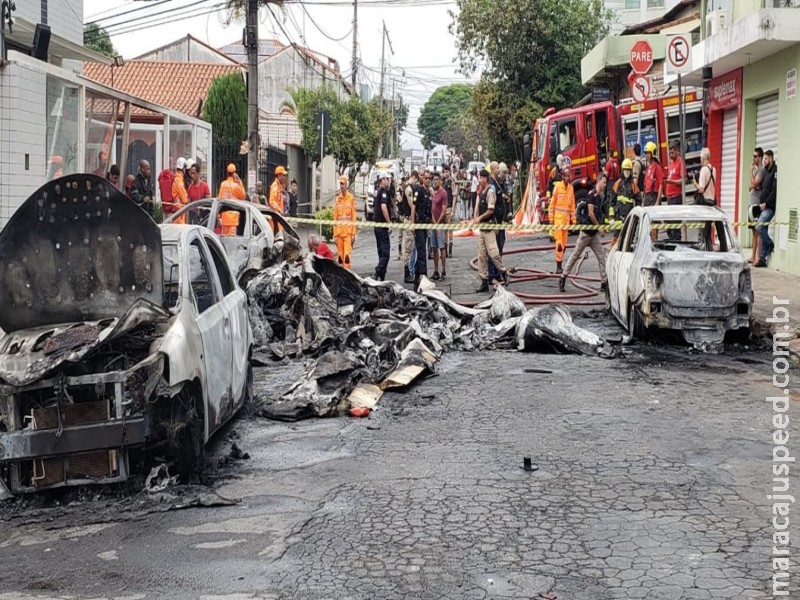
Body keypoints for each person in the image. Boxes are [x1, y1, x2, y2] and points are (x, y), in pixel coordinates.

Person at [560, 174, 608, 293]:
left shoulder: (599, 196)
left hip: (593, 235)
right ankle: (563, 277)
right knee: (575, 255)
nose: (605, 185)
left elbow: (598, 214)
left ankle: (604, 282)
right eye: (604, 182)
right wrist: (599, 228)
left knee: (601, 257)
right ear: (598, 182)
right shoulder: (592, 195)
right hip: (586, 233)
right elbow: (591, 214)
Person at [474, 169, 509, 292]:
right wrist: (476, 217)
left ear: (485, 178)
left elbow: (490, 210)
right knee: (481, 256)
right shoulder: (483, 191)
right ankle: (484, 281)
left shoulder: (490, 191)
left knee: (494, 254)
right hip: (483, 229)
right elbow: (479, 205)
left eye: (480, 178)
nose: (479, 180)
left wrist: (479, 218)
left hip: (489, 228)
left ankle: (503, 272)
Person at [548, 158, 576, 274]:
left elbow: (572, 206)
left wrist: (574, 221)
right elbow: (552, 204)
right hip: (558, 221)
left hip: (566, 222)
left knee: (564, 244)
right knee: (559, 244)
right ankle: (558, 266)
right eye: (565, 176)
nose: (567, 178)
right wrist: (550, 219)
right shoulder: (558, 187)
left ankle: (560, 262)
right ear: (562, 176)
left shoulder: (571, 188)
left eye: (568, 176)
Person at [610, 158, 640, 247]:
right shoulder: (617, 184)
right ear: (622, 170)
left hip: (629, 216)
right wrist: (611, 217)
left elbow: (639, 200)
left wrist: (636, 213)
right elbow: (612, 201)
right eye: (625, 170)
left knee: (628, 238)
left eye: (628, 170)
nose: (627, 172)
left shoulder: (633, 186)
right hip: (618, 217)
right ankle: (612, 256)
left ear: (631, 171)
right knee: (616, 238)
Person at [755, 149, 777, 268]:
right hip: (763, 206)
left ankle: (770, 244)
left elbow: (773, 192)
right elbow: (764, 188)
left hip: (769, 207)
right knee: (764, 229)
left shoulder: (775, 171)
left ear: (771, 159)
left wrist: (766, 204)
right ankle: (762, 259)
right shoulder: (765, 171)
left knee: (759, 226)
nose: (764, 161)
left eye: (766, 159)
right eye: (763, 158)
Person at [488, 163, 510, 285]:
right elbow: (493, 205)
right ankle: (492, 274)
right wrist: (495, 221)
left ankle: (497, 272)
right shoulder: (492, 185)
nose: (505, 175)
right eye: (502, 171)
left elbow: (503, 201)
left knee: (500, 247)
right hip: (496, 222)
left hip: (501, 221)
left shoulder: (500, 184)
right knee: (494, 249)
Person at [411, 171, 432, 290]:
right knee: (422, 251)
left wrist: (435, 225)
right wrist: (413, 224)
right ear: (422, 179)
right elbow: (413, 207)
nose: (428, 180)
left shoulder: (428, 192)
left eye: (429, 178)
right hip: (419, 225)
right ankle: (423, 276)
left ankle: (416, 279)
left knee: (421, 251)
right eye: (426, 178)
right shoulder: (418, 191)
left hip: (425, 225)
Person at [333, 175, 357, 269]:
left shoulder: (351, 198)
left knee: (347, 257)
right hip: (339, 234)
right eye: (340, 184)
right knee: (339, 258)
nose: (341, 186)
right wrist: (334, 235)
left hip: (348, 233)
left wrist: (353, 234)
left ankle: (347, 275)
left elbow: (353, 217)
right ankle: (340, 277)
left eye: (343, 184)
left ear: (346, 184)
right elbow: (335, 218)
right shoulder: (337, 199)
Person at [373, 173, 392, 281]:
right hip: (382, 227)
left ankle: (382, 277)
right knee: (386, 253)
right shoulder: (383, 192)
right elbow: (384, 207)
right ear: (382, 180)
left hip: (377, 227)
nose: (388, 181)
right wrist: (389, 223)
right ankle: (377, 272)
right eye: (387, 179)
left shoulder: (377, 192)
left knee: (381, 252)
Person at [748, 147, 765, 264]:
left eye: (755, 156)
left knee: (758, 232)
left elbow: (754, 184)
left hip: (756, 203)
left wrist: (750, 172)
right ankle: (753, 255)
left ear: (760, 157)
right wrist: (752, 185)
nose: (753, 159)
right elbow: (753, 185)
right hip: (752, 203)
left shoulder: (761, 170)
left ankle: (758, 257)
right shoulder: (756, 170)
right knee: (753, 231)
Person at [664, 142, 684, 241]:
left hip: (676, 197)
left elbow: (682, 180)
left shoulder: (680, 162)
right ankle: (672, 241)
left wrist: (671, 181)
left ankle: (677, 243)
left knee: (675, 225)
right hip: (670, 198)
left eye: (672, 153)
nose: (670, 155)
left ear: (677, 151)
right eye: (669, 153)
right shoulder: (671, 163)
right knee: (669, 225)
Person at [430, 172, 448, 281]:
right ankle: (436, 270)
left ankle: (443, 270)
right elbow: (431, 208)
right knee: (434, 248)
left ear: (440, 181)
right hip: (433, 224)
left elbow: (444, 210)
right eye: (434, 180)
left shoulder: (443, 193)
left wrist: (438, 223)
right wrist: (433, 222)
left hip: (440, 224)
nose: (435, 181)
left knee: (442, 247)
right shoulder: (432, 193)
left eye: (437, 180)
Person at [401, 171, 418, 283]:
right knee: (408, 247)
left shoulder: (408, 188)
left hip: (408, 220)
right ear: (414, 177)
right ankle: (407, 274)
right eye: (416, 180)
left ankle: (409, 272)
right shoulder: (408, 189)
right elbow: (412, 205)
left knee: (410, 247)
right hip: (408, 220)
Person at [167, 157, 189, 224]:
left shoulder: (178, 179)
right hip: (179, 214)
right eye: (185, 168)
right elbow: (185, 199)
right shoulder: (178, 180)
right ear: (182, 168)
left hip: (178, 213)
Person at [643, 141, 664, 208]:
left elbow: (661, 184)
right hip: (647, 197)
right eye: (646, 153)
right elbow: (645, 186)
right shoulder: (647, 168)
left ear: (653, 153)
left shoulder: (658, 167)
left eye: (648, 153)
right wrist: (643, 201)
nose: (647, 155)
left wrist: (657, 202)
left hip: (654, 198)